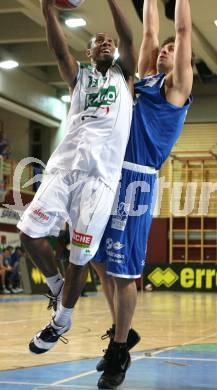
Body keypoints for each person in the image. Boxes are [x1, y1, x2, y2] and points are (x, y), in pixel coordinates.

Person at [17, 0, 136, 362]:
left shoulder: (124, 76)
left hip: (100, 180)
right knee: (28, 233)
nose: (106, 44)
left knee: (79, 256)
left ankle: (62, 320)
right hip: (64, 168)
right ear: (88, 50)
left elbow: (130, 38)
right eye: (99, 41)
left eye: (109, 42)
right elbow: (57, 48)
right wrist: (47, 9)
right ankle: (56, 287)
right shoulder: (80, 76)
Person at [92, 0, 193, 387]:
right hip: (110, 174)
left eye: (173, 51)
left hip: (137, 181)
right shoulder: (147, 79)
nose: (166, 50)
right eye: (163, 50)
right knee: (96, 260)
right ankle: (123, 331)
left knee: (122, 273)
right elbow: (150, 31)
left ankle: (119, 352)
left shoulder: (177, 90)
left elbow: (181, 32)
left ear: (185, 61)